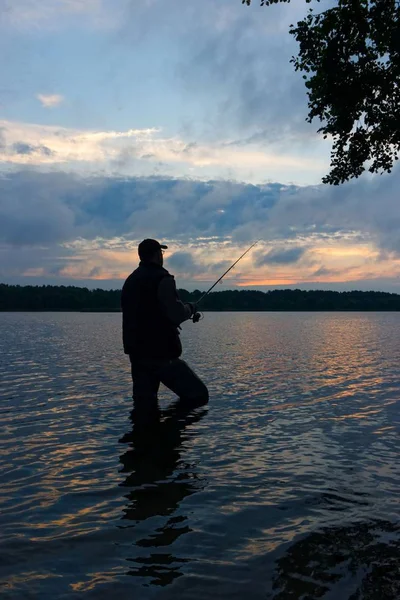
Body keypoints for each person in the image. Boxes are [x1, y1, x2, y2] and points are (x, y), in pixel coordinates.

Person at [121, 239, 209, 412]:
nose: (162, 256)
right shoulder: (162, 278)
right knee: (199, 396)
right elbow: (175, 313)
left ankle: (146, 436)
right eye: (161, 253)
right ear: (156, 255)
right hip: (161, 354)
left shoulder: (131, 280)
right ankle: (171, 435)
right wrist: (190, 308)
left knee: (145, 404)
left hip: (137, 354)